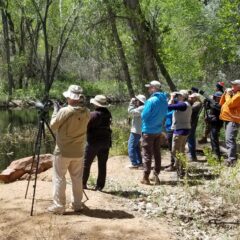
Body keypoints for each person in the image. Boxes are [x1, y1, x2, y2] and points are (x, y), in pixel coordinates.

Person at [48, 85, 90, 214]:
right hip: (79, 151)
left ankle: (59, 206)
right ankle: (77, 204)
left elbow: (53, 126)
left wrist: (56, 110)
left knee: (59, 177)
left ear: (70, 97)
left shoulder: (65, 111)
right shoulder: (87, 111)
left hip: (63, 151)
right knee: (77, 178)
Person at [141, 80, 168, 185]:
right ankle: (156, 175)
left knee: (147, 154)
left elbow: (144, 116)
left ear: (154, 88)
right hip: (158, 130)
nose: (148, 89)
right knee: (157, 153)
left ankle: (145, 177)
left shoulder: (151, 100)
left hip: (148, 130)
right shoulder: (164, 100)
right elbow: (165, 114)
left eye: (149, 87)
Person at [83, 95, 112, 191]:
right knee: (102, 164)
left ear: (96, 104)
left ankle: (82, 184)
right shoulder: (108, 114)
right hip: (106, 141)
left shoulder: (93, 115)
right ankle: (99, 186)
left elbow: (86, 127)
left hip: (93, 142)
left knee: (86, 163)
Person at [166, 90, 192, 177]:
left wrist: (171, 97)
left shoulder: (183, 105)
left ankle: (180, 171)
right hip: (184, 130)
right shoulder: (186, 104)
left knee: (175, 151)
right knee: (181, 151)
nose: (178, 97)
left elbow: (168, 106)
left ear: (183, 96)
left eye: (179, 95)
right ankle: (183, 170)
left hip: (180, 131)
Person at [220, 80, 240, 166]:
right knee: (229, 139)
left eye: (234, 84)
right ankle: (231, 159)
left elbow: (229, 104)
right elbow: (222, 103)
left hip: (233, 120)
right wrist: (225, 94)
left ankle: (231, 160)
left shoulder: (238, 95)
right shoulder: (234, 94)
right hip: (228, 119)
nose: (232, 85)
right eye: (232, 84)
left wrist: (228, 94)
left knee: (230, 139)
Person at [128, 94, 146, 168]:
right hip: (139, 130)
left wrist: (131, 103)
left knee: (131, 146)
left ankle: (134, 163)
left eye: (137, 100)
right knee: (136, 147)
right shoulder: (142, 107)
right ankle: (139, 162)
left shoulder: (141, 108)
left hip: (136, 131)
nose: (136, 101)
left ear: (140, 101)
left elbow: (130, 112)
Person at [204, 92, 223, 160]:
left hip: (217, 124)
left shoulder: (221, 104)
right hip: (212, 123)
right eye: (217, 97)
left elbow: (215, 106)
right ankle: (214, 154)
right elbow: (207, 107)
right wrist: (206, 102)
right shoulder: (214, 103)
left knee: (214, 139)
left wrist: (210, 100)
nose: (218, 98)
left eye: (219, 97)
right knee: (212, 138)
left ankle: (217, 156)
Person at [187, 93, 202, 161]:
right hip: (191, 122)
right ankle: (192, 155)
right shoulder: (196, 103)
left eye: (192, 97)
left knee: (191, 139)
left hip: (192, 123)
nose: (191, 98)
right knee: (190, 138)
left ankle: (192, 156)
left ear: (196, 98)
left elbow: (190, 109)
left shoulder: (197, 103)